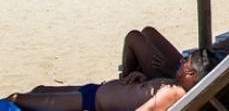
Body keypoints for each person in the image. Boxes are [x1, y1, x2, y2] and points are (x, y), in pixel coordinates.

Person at [7, 49, 216, 111]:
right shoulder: (173, 84)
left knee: (20, 99)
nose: (180, 61)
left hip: (91, 103)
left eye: (184, 62)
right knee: (40, 89)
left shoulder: (175, 92)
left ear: (190, 75)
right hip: (95, 91)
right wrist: (140, 79)